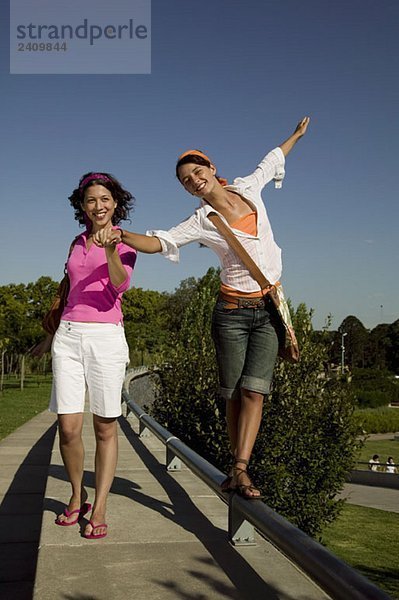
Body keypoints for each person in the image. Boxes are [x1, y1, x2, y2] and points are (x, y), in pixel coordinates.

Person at [94, 117, 310, 499]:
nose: (194, 180)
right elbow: (159, 242)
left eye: (197, 171)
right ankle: (236, 465)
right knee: (232, 392)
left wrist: (295, 135)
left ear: (212, 169)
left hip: (268, 310)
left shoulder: (248, 187)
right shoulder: (200, 221)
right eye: (186, 180)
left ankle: (241, 468)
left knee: (255, 392)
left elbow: (271, 158)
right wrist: (121, 234)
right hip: (231, 314)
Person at [33, 172, 137, 538]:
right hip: (69, 337)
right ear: (82, 206)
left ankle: (101, 503)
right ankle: (77, 497)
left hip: (106, 337)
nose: (99, 206)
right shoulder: (75, 242)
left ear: (115, 203)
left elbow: (120, 283)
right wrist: (51, 337)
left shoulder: (124, 242)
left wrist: (110, 248)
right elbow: (70, 292)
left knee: (105, 426)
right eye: (91, 200)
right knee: (68, 427)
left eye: (105, 199)